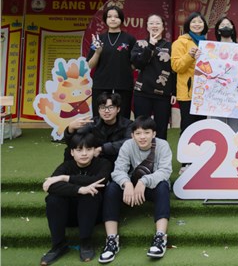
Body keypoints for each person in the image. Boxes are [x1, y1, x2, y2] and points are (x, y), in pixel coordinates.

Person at [99, 116, 172, 263]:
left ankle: (160, 238)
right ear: (132, 135)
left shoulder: (162, 145)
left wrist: (144, 181)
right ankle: (112, 240)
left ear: (154, 133)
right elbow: (118, 170)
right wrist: (127, 183)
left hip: (152, 186)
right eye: (138, 133)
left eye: (147, 132)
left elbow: (165, 171)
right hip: (131, 188)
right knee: (112, 188)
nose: (142, 137)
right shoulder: (128, 145)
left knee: (163, 186)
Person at [40, 129, 112, 265]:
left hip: (93, 215)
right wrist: (79, 189)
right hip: (69, 216)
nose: (84, 153)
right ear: (72, 152)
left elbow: (99, 181)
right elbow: (50, 186)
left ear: (94, 150)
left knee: (91, 193)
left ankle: (85, 242)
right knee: (54, 199)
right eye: (79, 150)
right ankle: (58, 245)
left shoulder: (103, 164)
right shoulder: (66, 166)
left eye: (88, 149)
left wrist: (65, 178)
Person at [131, 14, 176, 140]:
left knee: (161, 128)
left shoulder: (170, 46)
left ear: (163, 27)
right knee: (141, 127)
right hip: (142, 92)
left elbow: (174, 70)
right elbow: (138, 64)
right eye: (151, 23)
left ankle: (160, 152)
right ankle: (140, 152)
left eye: (157, 23)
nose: (154, 26)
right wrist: (150, 45)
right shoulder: (140, 44)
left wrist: (174, 92)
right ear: (147, 27)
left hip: (163, 94)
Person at [87, 5, 136, 119]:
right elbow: (90, 64)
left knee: (123, 117)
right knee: (100, 116)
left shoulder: (129, 39)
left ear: (121, 19)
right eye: (109, 16)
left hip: (123, 83)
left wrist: (124, 68)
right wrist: (98, 52)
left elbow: (134, 63)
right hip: (101, 83)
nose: (113, 19)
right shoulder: (99, 39)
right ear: (105, 19)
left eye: (116, 16)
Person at [63, 92, 132, 164]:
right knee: (69, 151)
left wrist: (102, 149)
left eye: (111, 107)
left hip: (117, 157)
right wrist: (70, 128)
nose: (106, 111)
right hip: (98, 158)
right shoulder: (93, 123)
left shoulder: (128, 124)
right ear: (98, 110)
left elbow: (129, 142)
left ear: (118, 109)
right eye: (103, 107)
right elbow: (74, 143)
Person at [171, 12, 208, 136]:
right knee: (188, 129)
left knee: (201, 129)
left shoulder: (207, 43)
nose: (197, 24)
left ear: (204, 25)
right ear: (188, 25)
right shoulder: (180, 42)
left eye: (200, 22)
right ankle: (185, 149)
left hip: (203, 93)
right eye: (194, 22)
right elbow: (176, 67)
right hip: (188, 93)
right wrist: (190, 56)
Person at [211, 15, 238, 131]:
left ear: (233, 29)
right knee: (217, 131)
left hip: (235, 96)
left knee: (235, 131)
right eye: (223, 25)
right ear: (218, 30)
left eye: (228, 25)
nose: (225, 27)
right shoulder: (210, 50)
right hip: (216, 96)